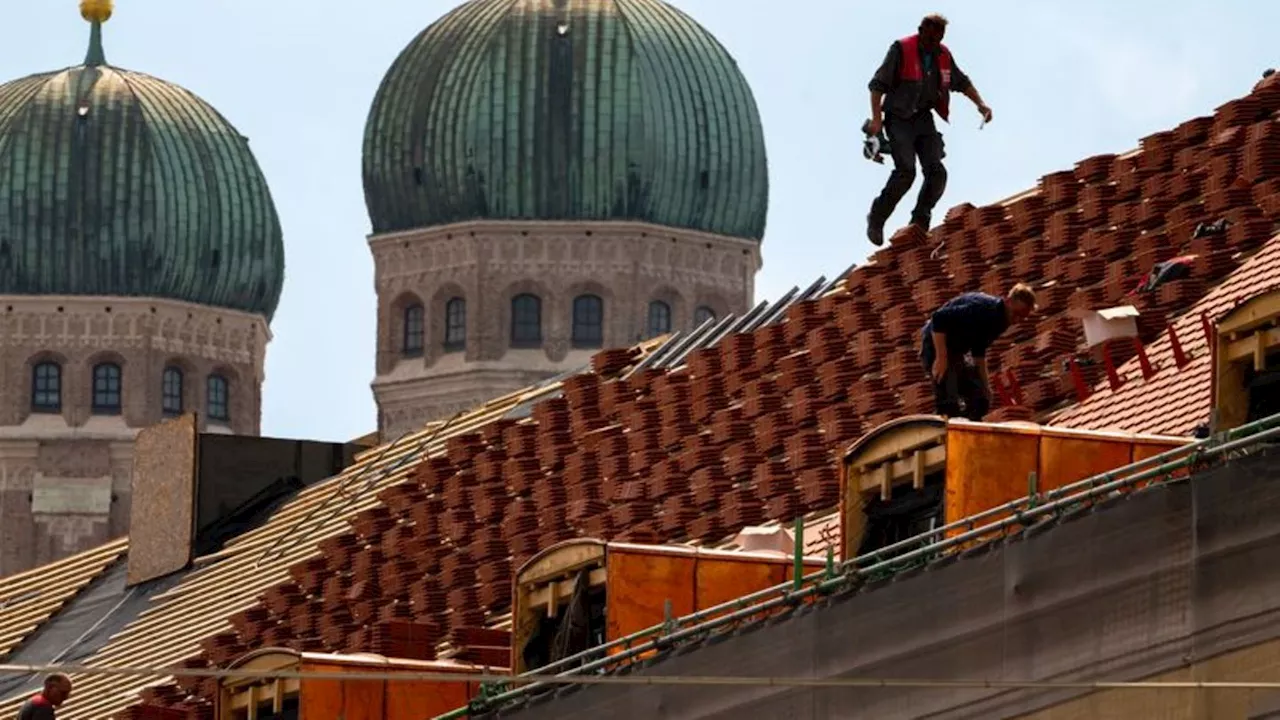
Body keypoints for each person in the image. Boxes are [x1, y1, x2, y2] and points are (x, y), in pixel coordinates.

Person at [866, 13, 994, 246]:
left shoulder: (942, 55)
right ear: (921, 31)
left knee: (937, 173)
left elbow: (961, 82)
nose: (935, 43)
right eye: (931, 38)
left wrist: (980, 104)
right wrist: (876, 120)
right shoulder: (901, 49)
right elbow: (877, 86)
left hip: (923, 119)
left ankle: (919, 223)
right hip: (899, 118)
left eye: (940, 38)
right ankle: (877, 217)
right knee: (906, 172)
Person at [920, 284, 1037, 420]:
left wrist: (986, 386)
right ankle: (947, 431)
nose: (1016, 320)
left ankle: (969, 430)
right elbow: (939, 318)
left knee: (981, 399)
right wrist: (941, 358)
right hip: (936, 344)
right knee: (949, 402)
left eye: (1022, 317)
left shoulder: (1002, 321)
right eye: (1016, 314)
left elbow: (978, 351)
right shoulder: (983, 309)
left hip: (956, 352)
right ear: (1008, 301)